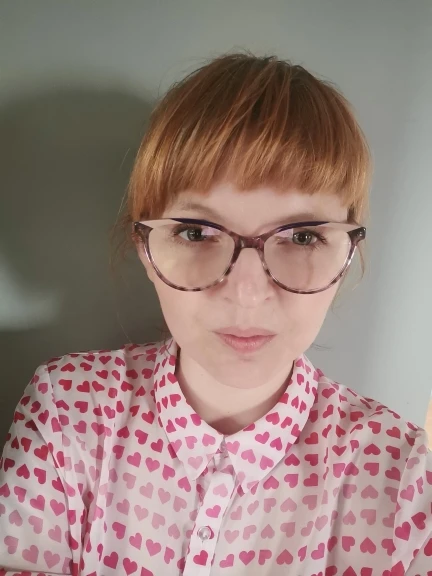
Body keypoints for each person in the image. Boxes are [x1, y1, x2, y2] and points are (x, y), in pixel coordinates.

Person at [0, 53, 431, 576]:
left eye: (302, 236)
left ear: (347, 254)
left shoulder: (402, 477)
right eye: (196, 232)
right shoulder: (66, 410)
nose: (246, 295)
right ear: (145, 249)